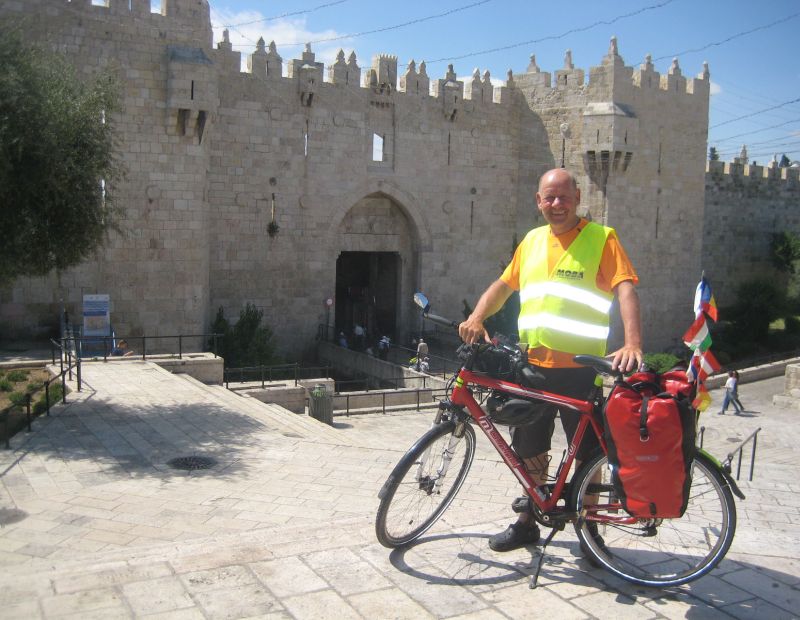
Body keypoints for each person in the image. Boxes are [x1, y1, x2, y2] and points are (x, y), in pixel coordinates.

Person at [459, 167, 642, 553]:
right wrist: (477, 316)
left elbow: (625, 287)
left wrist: (632, 342)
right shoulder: (531, 241)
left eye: (563, 196)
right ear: (538, 201)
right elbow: (504, 286)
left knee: (590, 453)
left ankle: (591, 531)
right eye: (549, 197)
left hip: (582, 370)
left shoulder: (601, 239)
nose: (556, 204)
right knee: (529, 447)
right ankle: (528, 520)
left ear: (578, 196)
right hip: (534, 367)